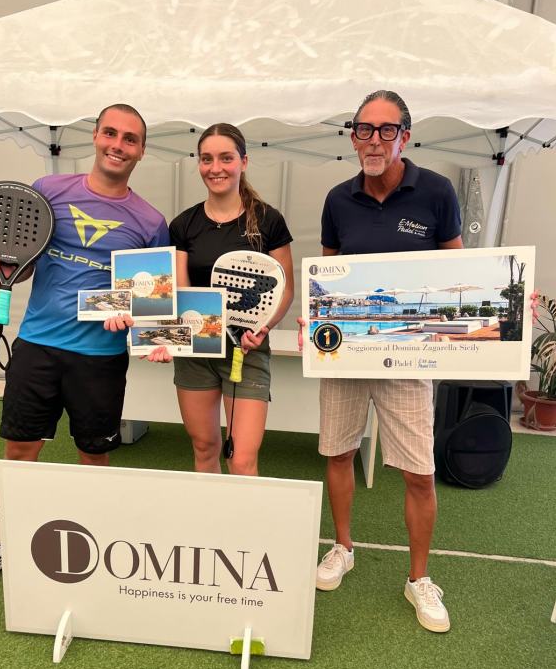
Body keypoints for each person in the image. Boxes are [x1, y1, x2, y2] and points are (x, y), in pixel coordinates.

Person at [0, 104, 169, 588]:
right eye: (110, 133)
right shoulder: (48, 192)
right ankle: (2, 540)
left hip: (100, 358)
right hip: (37, 346)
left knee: (94, 454)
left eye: (130, 138)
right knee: (20, 448)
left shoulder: (150, 220)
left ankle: (89, 540)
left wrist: (135, 317)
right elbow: (25, 262)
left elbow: (151, 298)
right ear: (95, 136)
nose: (118, 144)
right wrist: (4, 271)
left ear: (141, 150)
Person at [313, 90, 463, 633]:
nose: (373, 139)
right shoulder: (337, 199)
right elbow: (328, 277)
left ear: (405, 134)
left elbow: (454, 270)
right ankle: (343, 547)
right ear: (353, 136)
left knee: (419, 473)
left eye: (385, 129)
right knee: (338, 454)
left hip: (408, 358)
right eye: (363, 129)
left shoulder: (437, 192)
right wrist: (317, 315)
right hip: (347, 355)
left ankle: (419, 578)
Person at [150, 123, 294, 476]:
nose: (216, 168)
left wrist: (263, 327)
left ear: (243, 161)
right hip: (197, 354)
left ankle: (244, 531)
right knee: (205, 448)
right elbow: (180, 295)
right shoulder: (183, 225)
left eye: (226, 158)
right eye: (207, 159)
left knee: (242, 460)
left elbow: (285, 288)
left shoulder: (268, 220)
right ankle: (209, 528)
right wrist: (163, 338)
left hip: (247, 352)